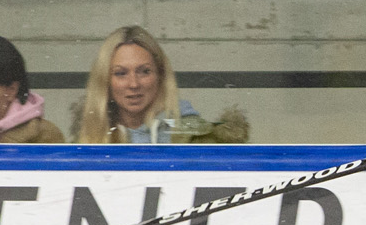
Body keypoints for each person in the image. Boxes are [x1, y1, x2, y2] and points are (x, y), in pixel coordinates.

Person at [72, 25, 249, 144]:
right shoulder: (82, 144)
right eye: (121, 73)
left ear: (161, 76)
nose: (133, 84)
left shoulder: (200, 141)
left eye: (144, 71)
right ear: (104, 81)